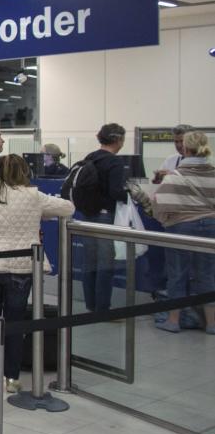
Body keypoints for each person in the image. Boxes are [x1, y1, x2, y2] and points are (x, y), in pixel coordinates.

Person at [0, 155, 74, 392]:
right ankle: (11, 378)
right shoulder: (33, 196)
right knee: (15, 323)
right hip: (21, 268)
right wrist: (39, 212)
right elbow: (68, 207)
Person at [150, 130, 215, 334]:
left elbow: (158, 205)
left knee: (177, 273)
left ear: (185, 149)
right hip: (211, 227)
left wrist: (168, 221)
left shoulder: (175, 176)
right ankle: (211, 323)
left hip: (181, 228)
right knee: (207, 275)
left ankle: (174, 320)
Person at [79, 123, 128, 312]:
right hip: (105, 217)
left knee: (89, 263)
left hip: (87, 216)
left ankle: (91, 304)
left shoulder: (90, 157)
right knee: (105, 264)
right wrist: (129, 195)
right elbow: (116, 191)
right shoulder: (114, 162)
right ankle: (103, 308)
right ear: (118, 140)